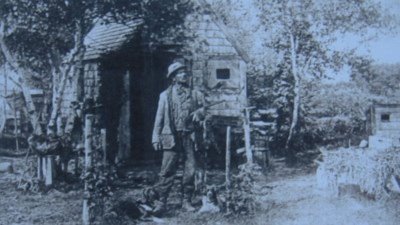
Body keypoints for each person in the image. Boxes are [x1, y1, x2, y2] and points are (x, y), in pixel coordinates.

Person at [148, 61, 205, 215]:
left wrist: (200, 114)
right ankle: (161, 202)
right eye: (179, 73)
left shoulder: (196, 94)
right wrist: (155, 137)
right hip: (171, 137)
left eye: (185, 72)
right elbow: (159, 118)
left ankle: (186, 201)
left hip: (190, 137)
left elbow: (207, 112)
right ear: (173, 77)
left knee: (190, 170)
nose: (183, 75)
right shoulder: (165, 96)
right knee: (166, 170)